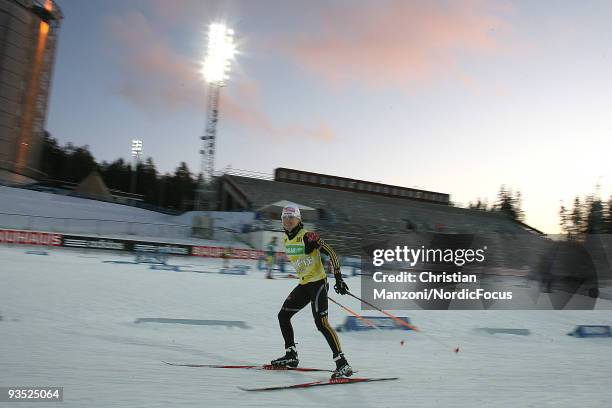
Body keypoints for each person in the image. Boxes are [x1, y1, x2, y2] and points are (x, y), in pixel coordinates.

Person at [270, 203, 352, 378]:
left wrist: (338, 277)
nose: (288, 221)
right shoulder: (286, 239)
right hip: (305, 285)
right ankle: (291, 355)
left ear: (299, 219)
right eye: (284, 218)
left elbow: (331, 252)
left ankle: (342, 363)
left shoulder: (307, 236)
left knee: (321, 323)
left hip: (318, 283)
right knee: (283, 316)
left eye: (291, 218)